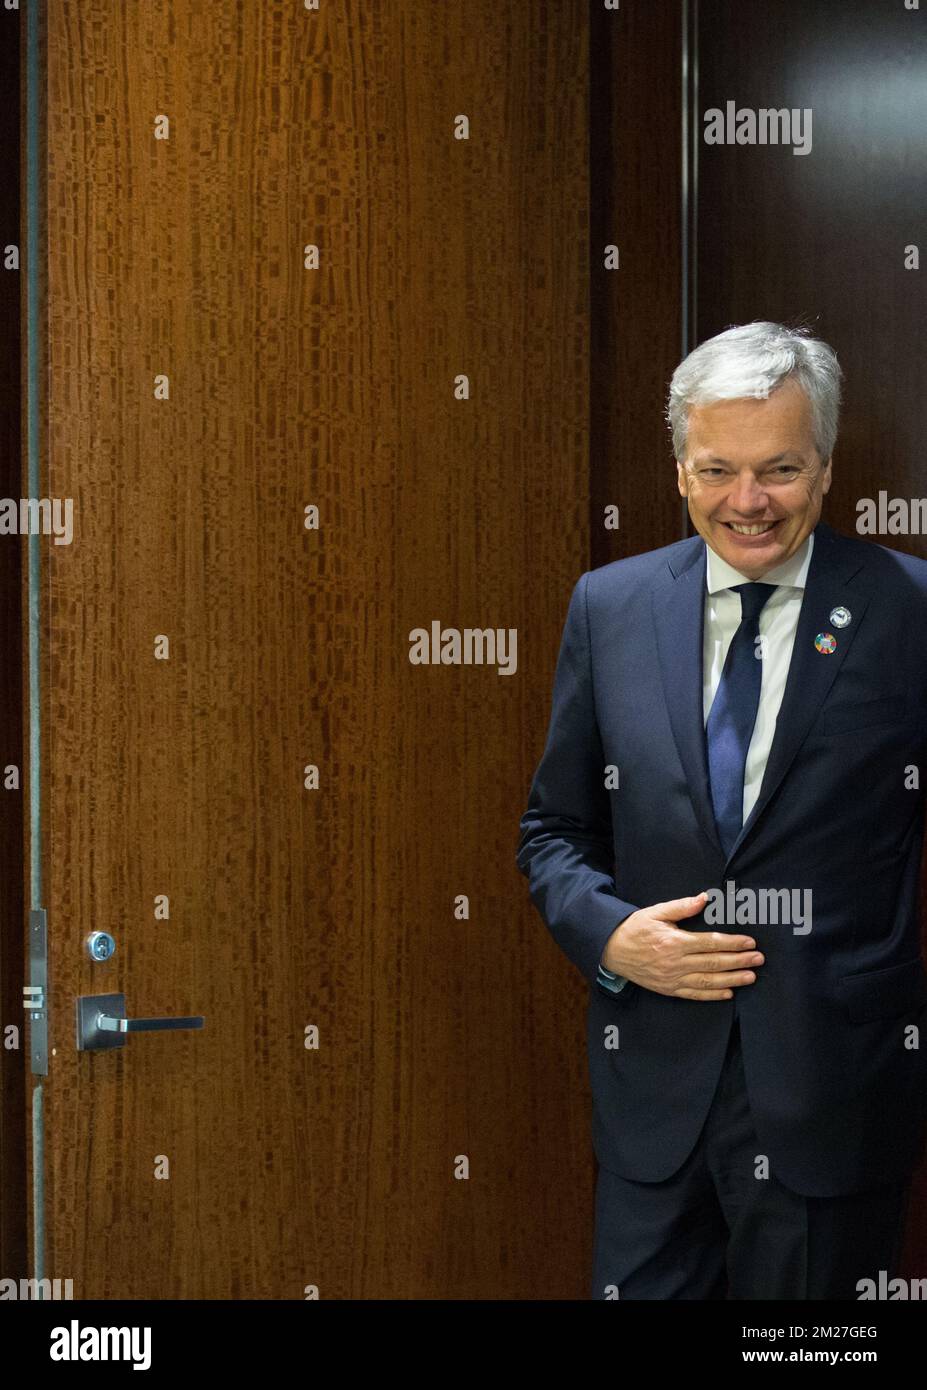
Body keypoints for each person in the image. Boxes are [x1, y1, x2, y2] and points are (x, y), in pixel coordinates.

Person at [516, 321, 927, 1299]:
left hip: (836, 1100)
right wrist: (613, 937)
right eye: (718, 469)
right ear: (679, 469)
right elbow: (554, 832)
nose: (748, 502)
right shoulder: (608, 607)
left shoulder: (909, 611)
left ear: (825, 468)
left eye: (780, 468)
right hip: (653, 1099)